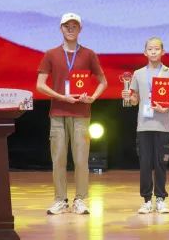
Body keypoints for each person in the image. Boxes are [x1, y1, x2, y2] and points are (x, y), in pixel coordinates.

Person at [36, 12, 108, 215]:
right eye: (66, 26)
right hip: (58, 113)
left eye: (74, 26)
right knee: (58, 159)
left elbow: (103, 82)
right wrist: (61, 96)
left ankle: (80, 200)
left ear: (80, 29)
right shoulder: (51, 54)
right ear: (61, 28)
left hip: (82, 114)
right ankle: (60, 200)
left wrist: (93, 97)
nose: (70, 29)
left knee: (81, 160)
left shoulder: (88, 54)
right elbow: (40, 85)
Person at [122, 37, 169, 214]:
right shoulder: (138, 74)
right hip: (144, 126)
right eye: (150, 49)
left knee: (160, 164)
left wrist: (168, 107)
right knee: (145, 164)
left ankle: (160, 199)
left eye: (157, 49)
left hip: (162, 126)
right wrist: (129, 96)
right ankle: (146, 200)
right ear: (145, 52)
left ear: (163, 52)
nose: (153, 52)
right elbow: (135, 100)